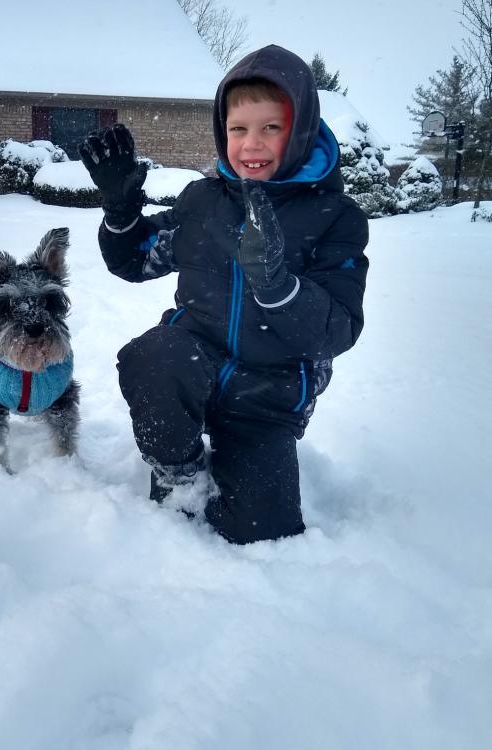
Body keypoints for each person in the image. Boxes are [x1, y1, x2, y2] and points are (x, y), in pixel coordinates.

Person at [78, 44, 369, 545]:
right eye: (239, 129)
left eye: (270, 128)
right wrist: (121, 210)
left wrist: (278, 285)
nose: (251, 144)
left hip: (268, 396)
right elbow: (134, 259)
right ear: (222, 131)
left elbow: (337, 330)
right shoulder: (203, 202)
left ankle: (244, 465)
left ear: (298, 131)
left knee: (259, 531)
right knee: (154, 355)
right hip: (193, 369)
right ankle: (179, 470)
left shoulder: (335, 218)